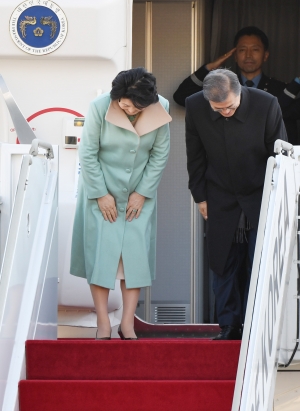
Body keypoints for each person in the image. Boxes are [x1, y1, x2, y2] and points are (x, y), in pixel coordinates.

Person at [70, 67, 171, 340]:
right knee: (101, 257)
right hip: (101, 190)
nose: (129, 110)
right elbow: (88, 152)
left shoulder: (161, 107)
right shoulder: (99, 107)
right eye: (125, 104)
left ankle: (128, 324)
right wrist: (100, 194)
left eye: (136, 106)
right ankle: (103, 323)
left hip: (139, 193)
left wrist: (143, 192)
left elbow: (160, 154)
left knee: (134, 260)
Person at [185, 69, 287, 340]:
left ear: (240, 92)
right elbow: (194, 155)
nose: (225, 112)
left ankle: (258, 327)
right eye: (218, 109)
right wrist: (200, 196)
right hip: (219, 194)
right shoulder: (195, 105)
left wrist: (278, 197)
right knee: (222, 263)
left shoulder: (267, 103)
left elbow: (279, 155)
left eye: (230, 106)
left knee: (260, 262)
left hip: (260, 193)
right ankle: (229, 325)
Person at [174, 26, 300, 144]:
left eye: (255, 49)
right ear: (235, 55)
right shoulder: (220, 87)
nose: (248, 55)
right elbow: (181, 96)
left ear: (265, 55)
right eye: (242, 50)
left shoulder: (282, 90)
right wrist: (209, 67)